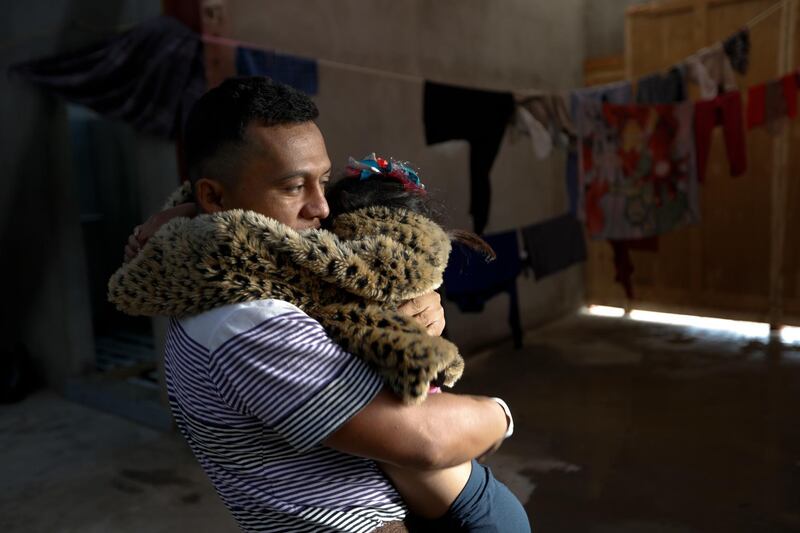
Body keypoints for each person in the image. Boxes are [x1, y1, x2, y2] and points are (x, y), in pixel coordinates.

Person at [114, 77, 529, 532]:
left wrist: (179, 215)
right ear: (213, 196)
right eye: (294, 187)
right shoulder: (248, 320)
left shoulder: (218, 274)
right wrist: (499, 415)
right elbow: (428, 441)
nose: (321, 208)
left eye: (324, 182)